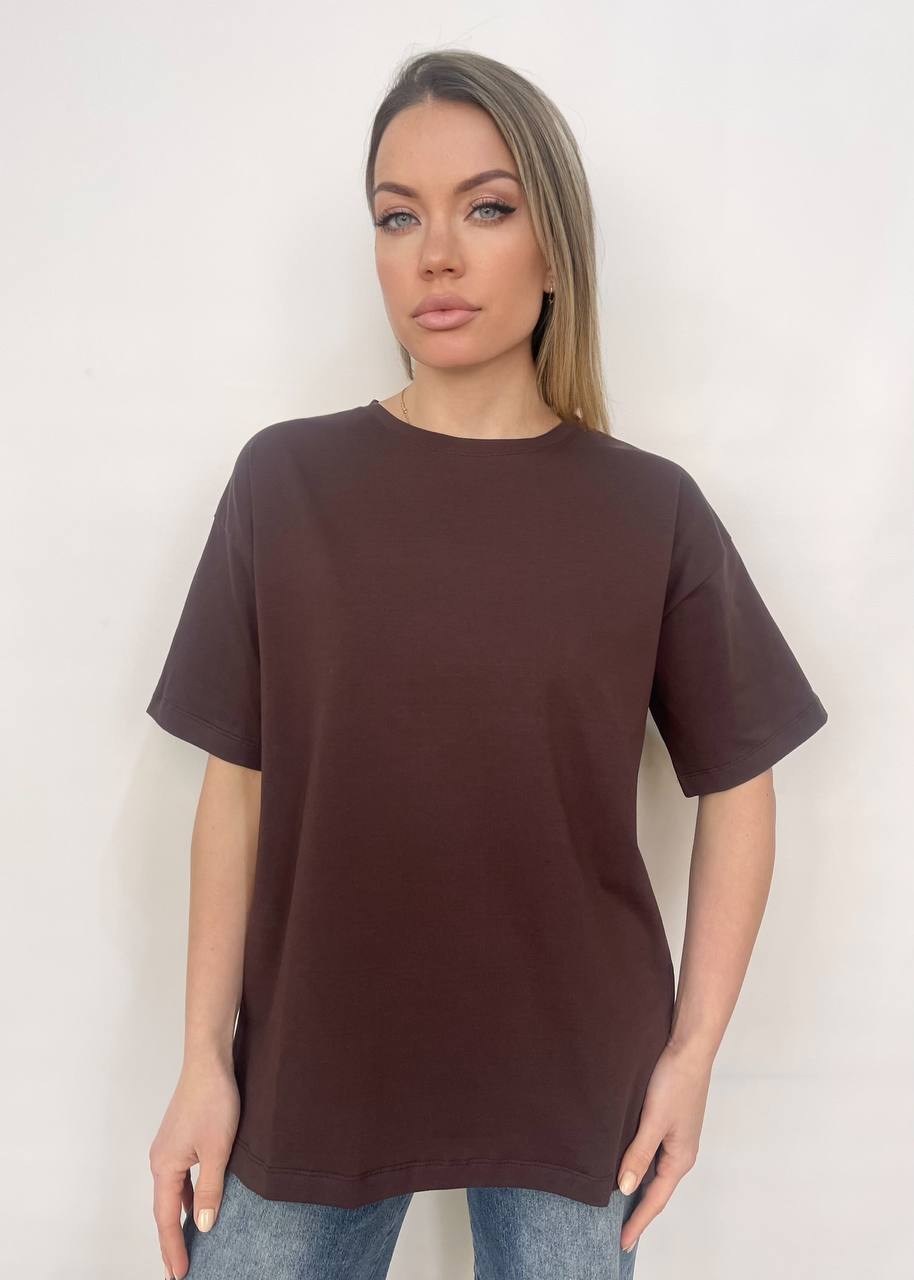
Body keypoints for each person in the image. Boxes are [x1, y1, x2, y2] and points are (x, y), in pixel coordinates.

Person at [145, 49, 828, 1280]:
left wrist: (691, 1055)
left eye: (487, 207)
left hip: (576, 1083)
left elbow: (739, 774)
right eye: (397, 216)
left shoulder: (648, 510)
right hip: (314, 1066)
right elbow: (235, 783)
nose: (437, 255)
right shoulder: (283, 483)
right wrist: (202, 1054)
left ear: (554, 248)